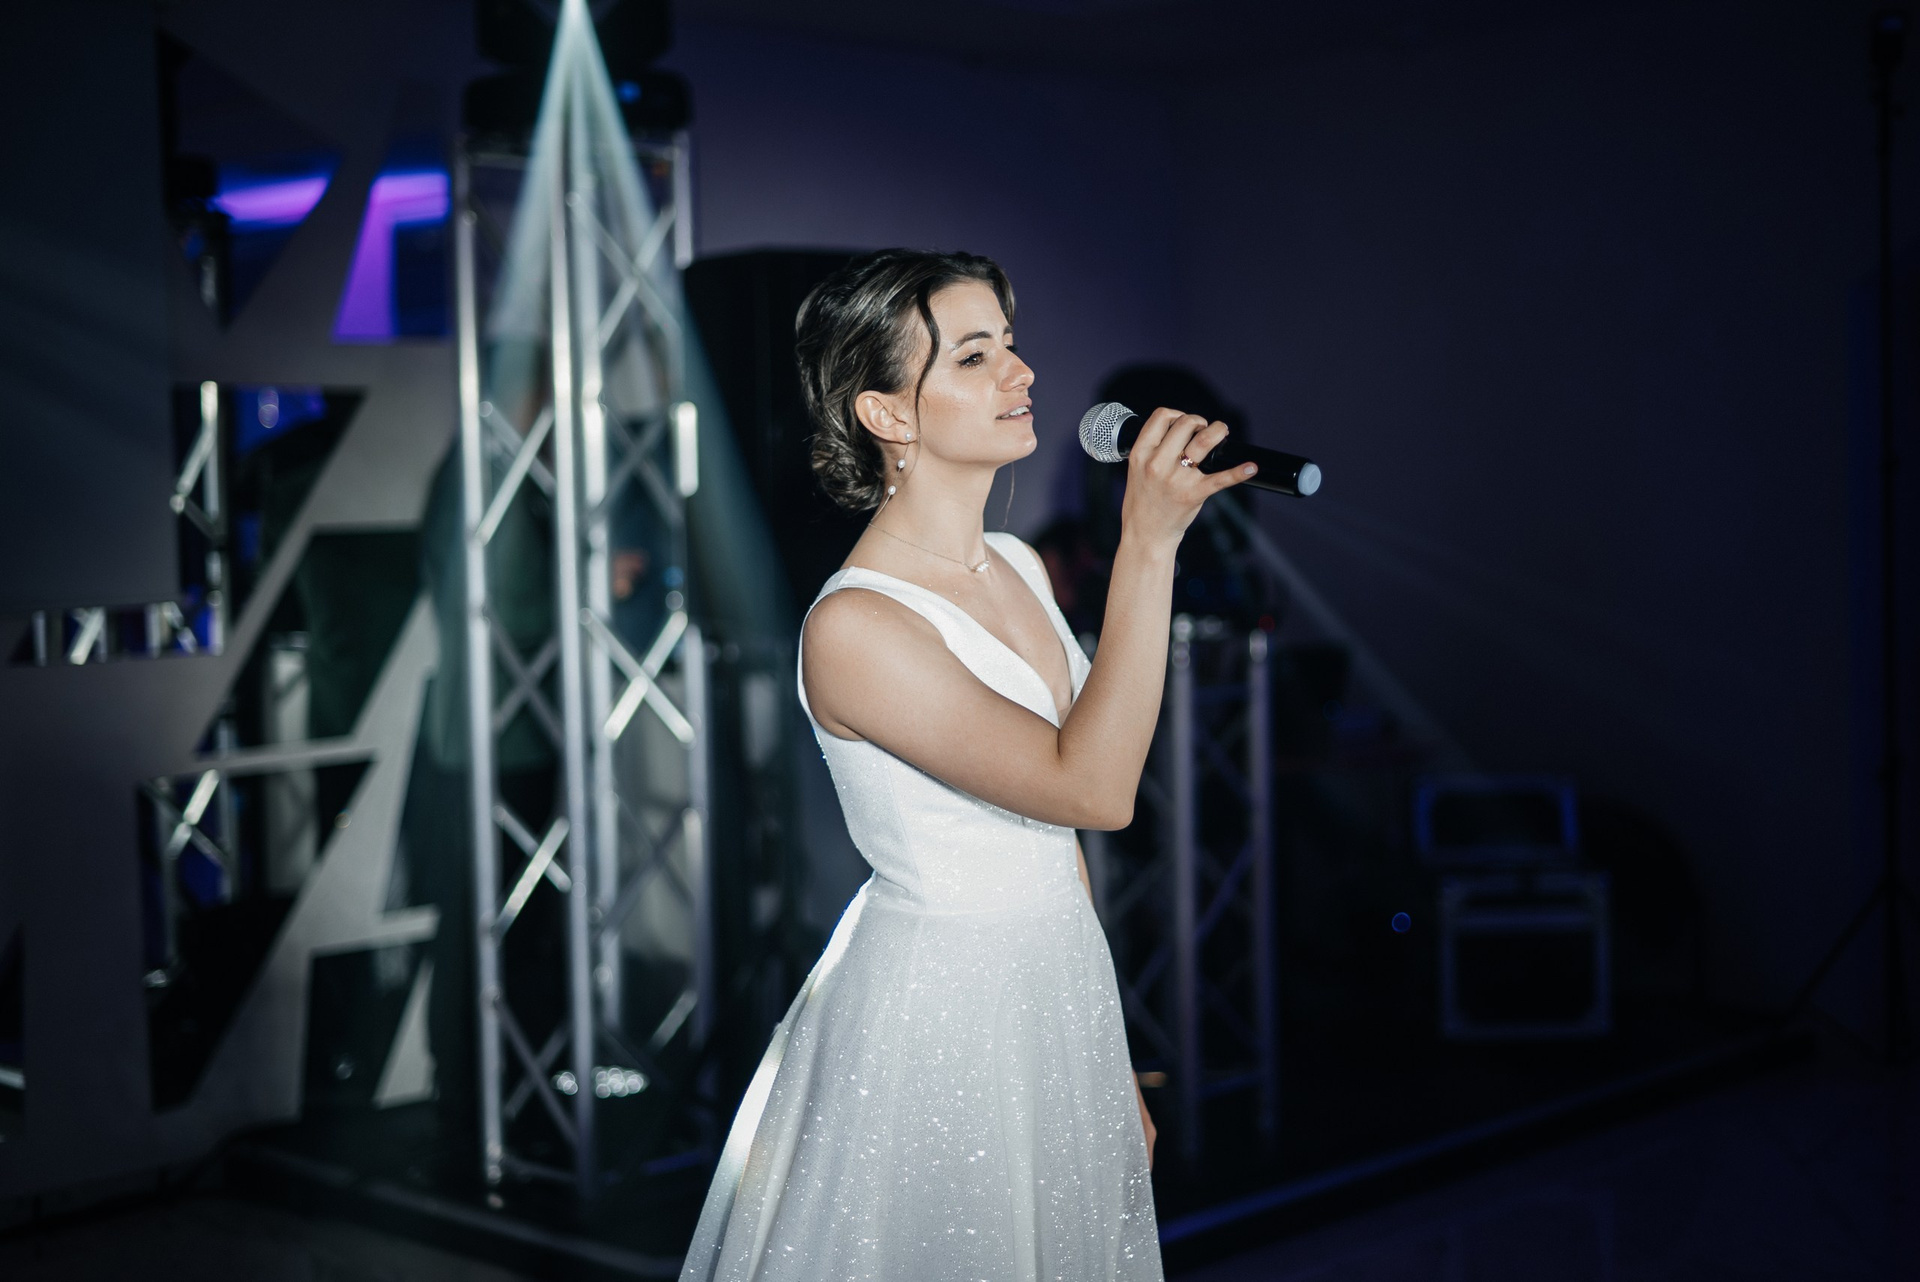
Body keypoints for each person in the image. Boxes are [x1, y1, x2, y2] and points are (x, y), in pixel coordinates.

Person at [679, 249, 1257, 1281]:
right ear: (887, 414)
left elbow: (1058, 831)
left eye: (1012, 344)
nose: (1021, 372)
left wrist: (1109, 1053)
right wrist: (1148, 546)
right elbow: (1096, 788)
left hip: (1054, 988)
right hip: (940, 1015)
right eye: (975, 355)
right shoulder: (855, 626)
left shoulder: (1021, 565)